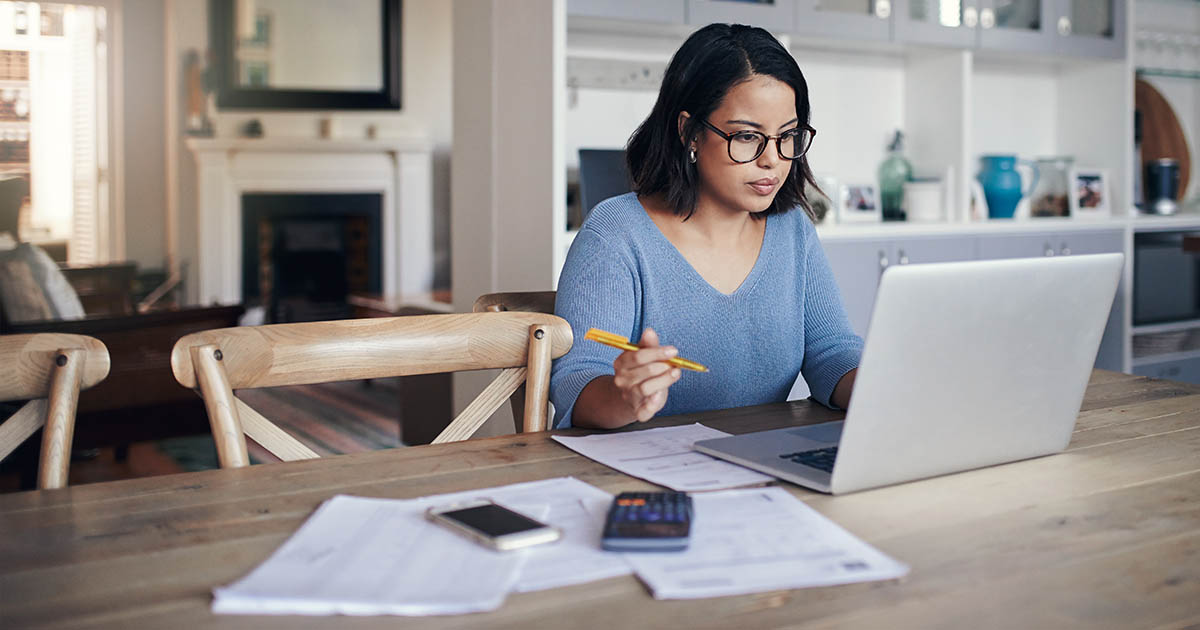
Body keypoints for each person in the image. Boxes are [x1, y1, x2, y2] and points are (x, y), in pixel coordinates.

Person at [550, 23, 861, 430]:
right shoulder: (616, 233)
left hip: (759, 468)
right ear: (690, 132)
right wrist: (624, 396)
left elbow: (831, 353)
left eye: (788, 136)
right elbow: (577, 383)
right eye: (748, 137)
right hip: (641, 478)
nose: (773, 160)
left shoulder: (792, 230)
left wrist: (887, 385)